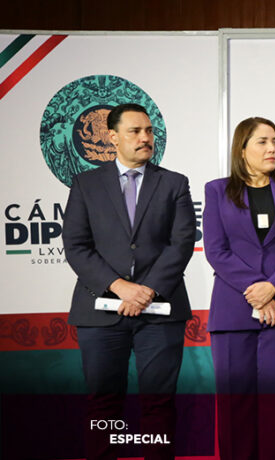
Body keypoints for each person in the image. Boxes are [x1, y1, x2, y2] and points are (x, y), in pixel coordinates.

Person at [62, 103, 195, 460]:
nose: (145, 138)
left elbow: (181, 243)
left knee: (159, 403)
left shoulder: (174, 183)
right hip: (101, 313)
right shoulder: (86, 184)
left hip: (161, 311)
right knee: (103, 404)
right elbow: (76, 246)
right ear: (112, 137)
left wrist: (147, 290)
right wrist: (120, 287)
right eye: (135, 131)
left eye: (149, 131)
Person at [202, 117, 275, 460]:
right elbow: (216, 250)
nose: (272, 148)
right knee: (237, 408)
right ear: (242, 148)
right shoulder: (217, 190)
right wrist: (255, 288)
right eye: (263, 141)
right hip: (234, 311)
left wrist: (273, 287)